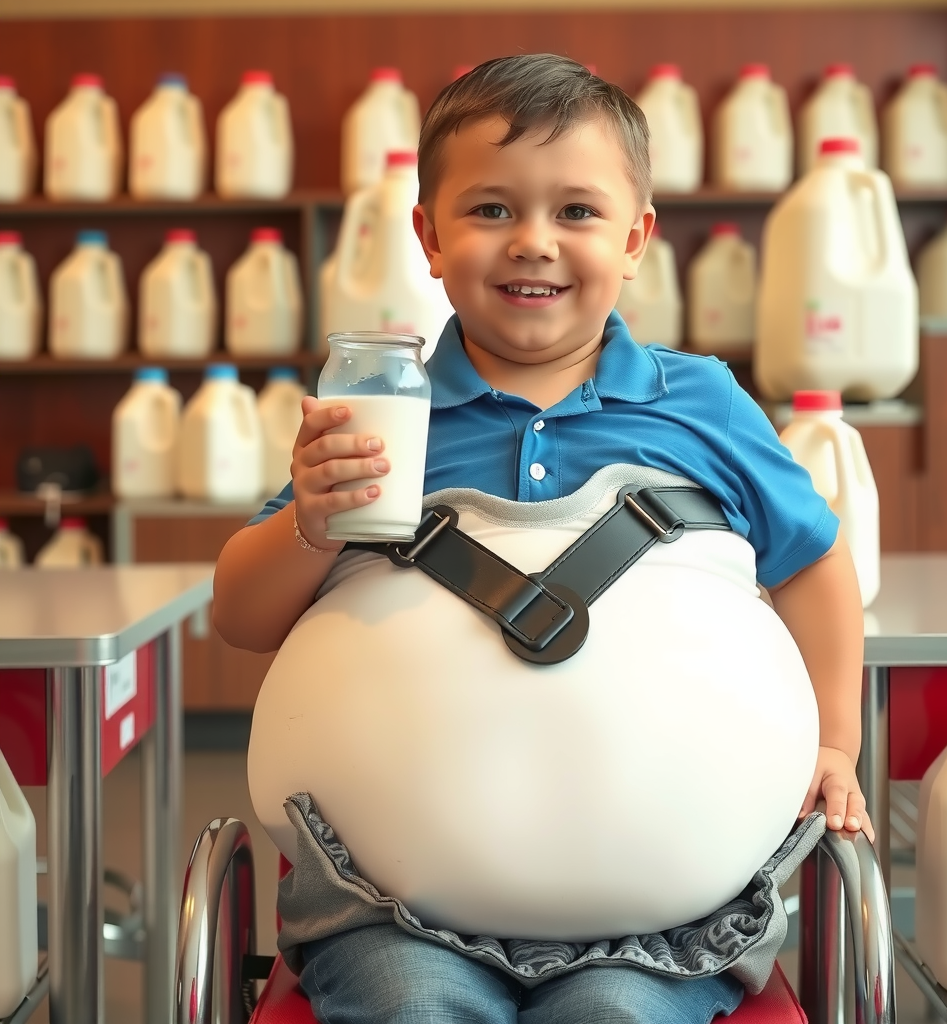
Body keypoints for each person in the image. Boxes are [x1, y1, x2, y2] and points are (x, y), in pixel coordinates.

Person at [213, 53, 871, 1024]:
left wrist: (836, 740)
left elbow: (814, 562)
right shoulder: (383, 412)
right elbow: (239, 614)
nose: (532, 242)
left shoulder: (703, 405)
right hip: (392, 905)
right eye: (489, 211)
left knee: (609, 1016)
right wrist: (311, 526)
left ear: (636, 237)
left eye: (575, 212)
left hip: (662, 911)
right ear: (428, 238)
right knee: (409, 1010)